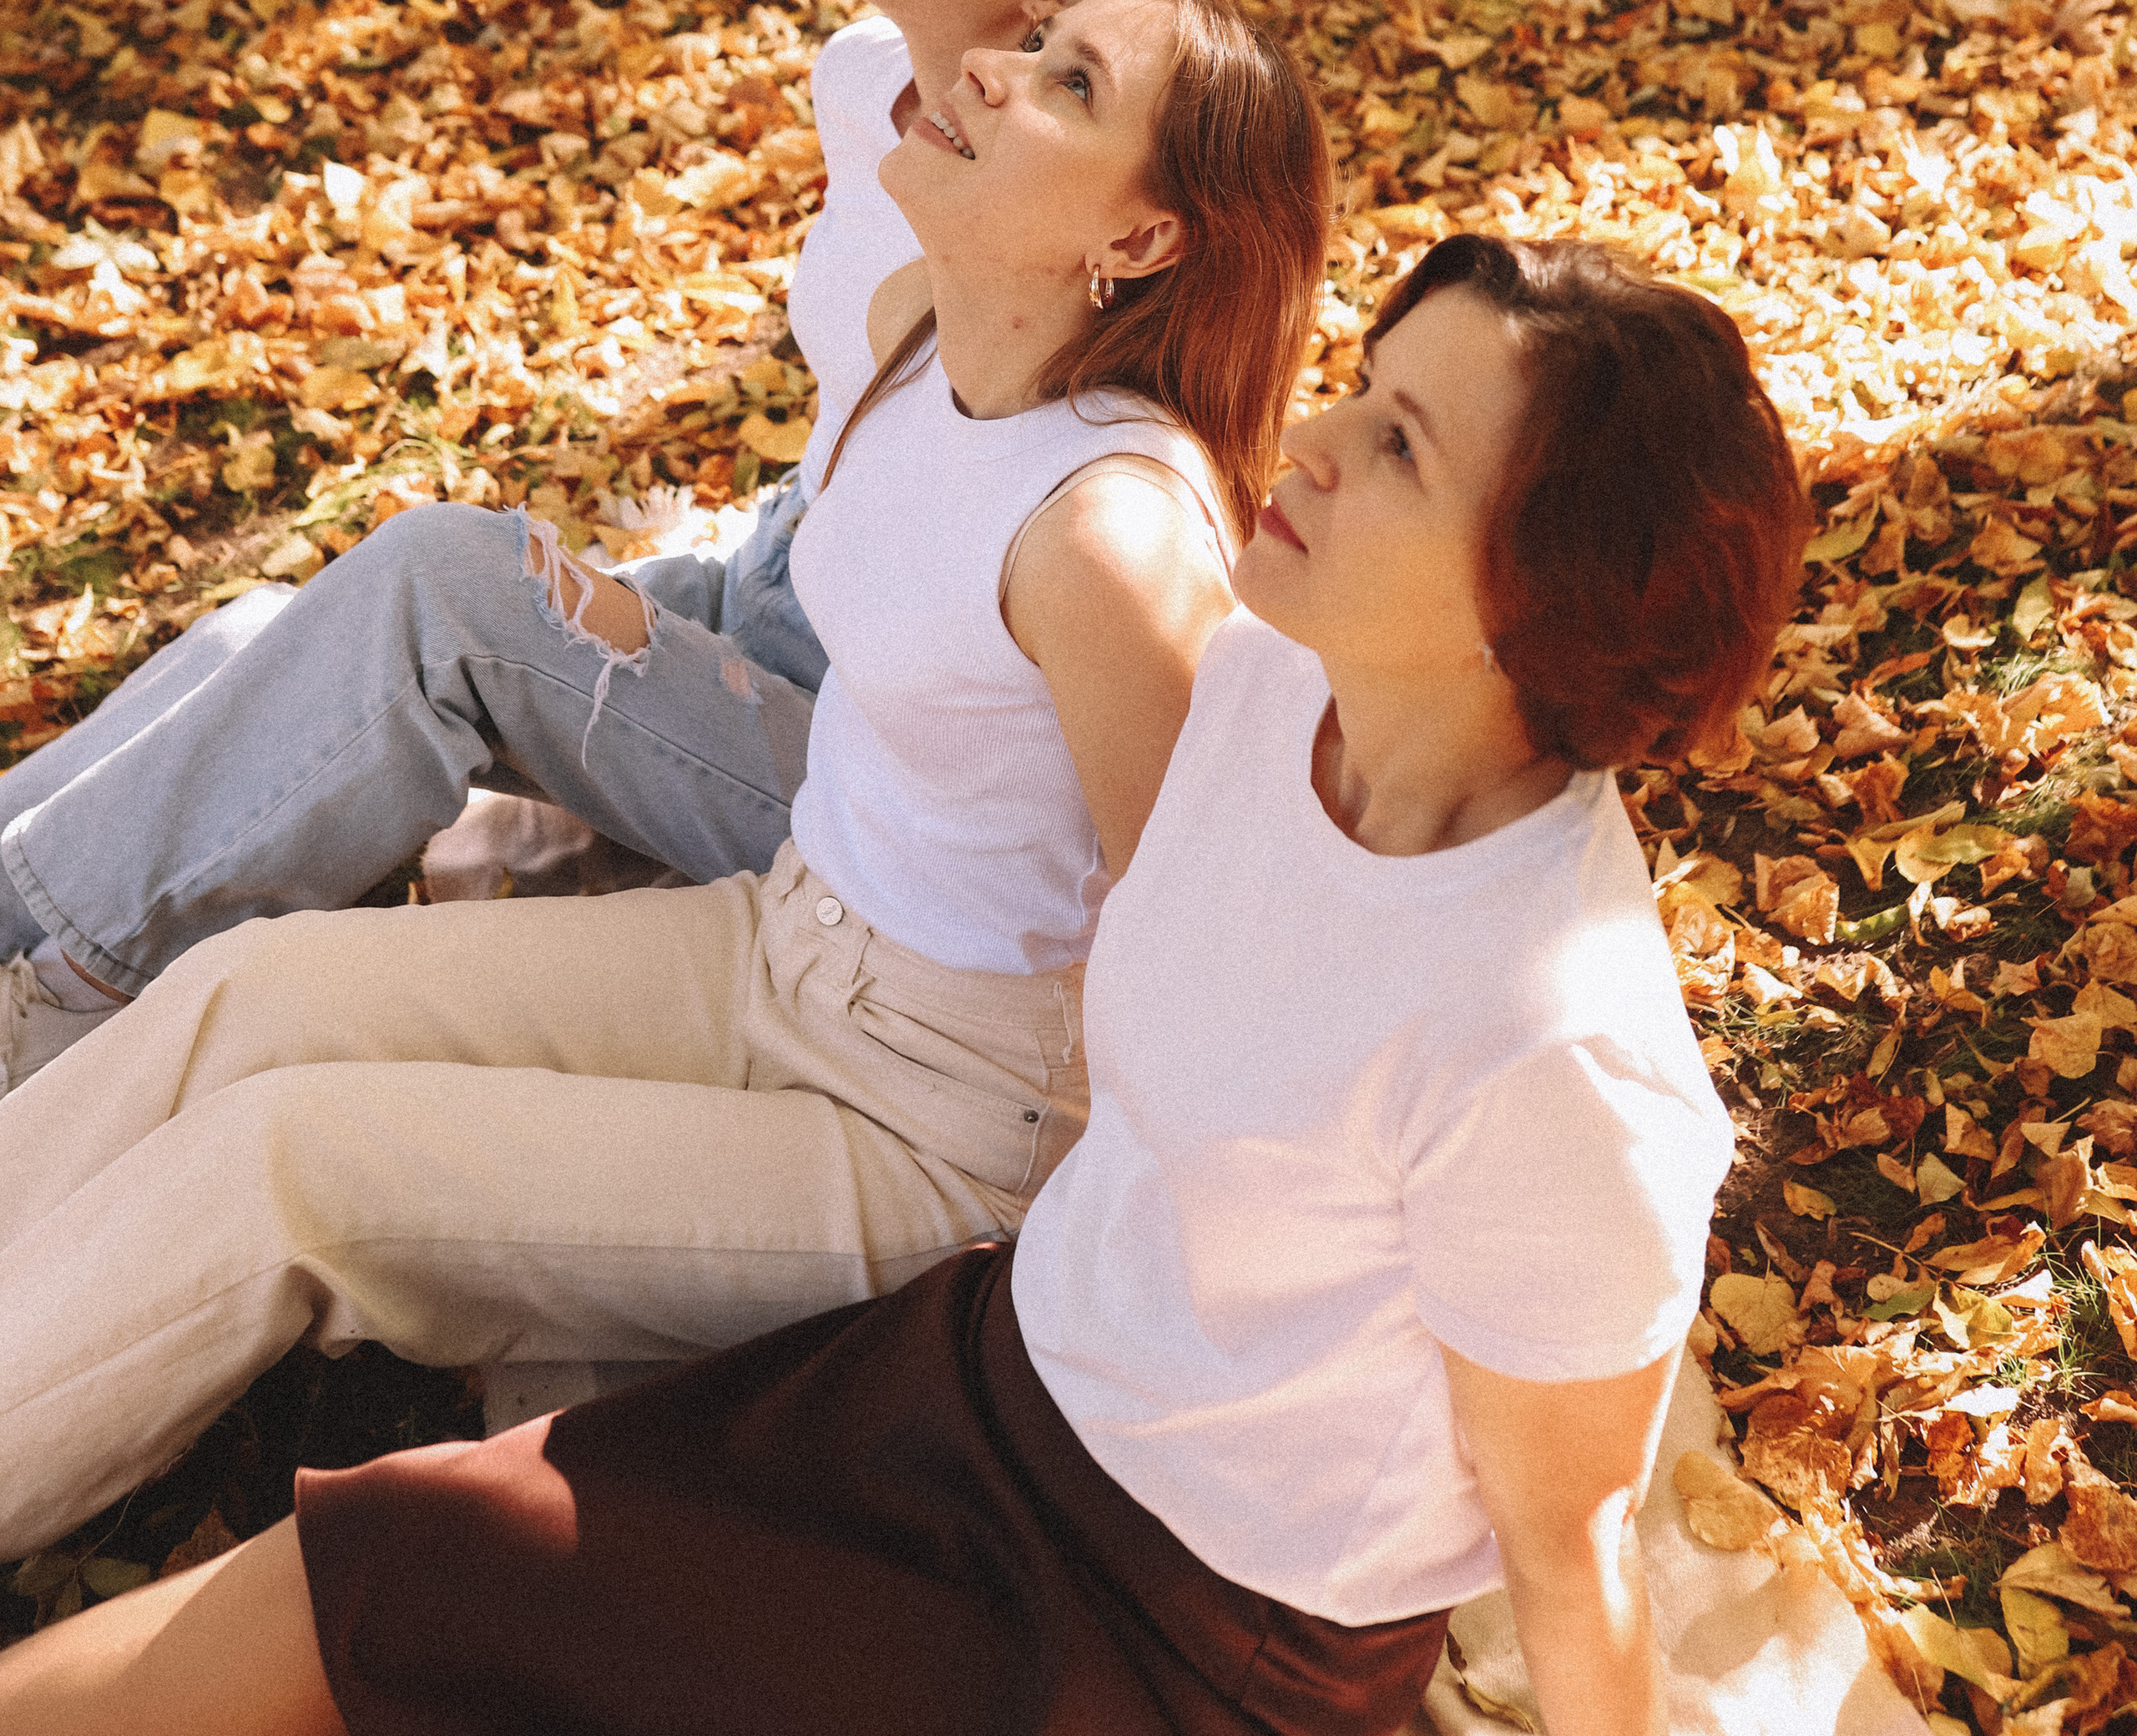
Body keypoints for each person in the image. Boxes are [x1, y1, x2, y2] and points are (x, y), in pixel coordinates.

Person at [0, 232, 1809, 1736]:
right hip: (971, 1385)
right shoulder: (1261, 700)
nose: (1316, 440)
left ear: (1540, 603)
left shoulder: (1553, 1043)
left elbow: (1563, 1550)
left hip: (1173, 1631)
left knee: (414, 1596)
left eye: (1403, 446)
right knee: (385, 1558)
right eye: (1361, 382)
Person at [0, 0, 1331, 1560]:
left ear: (1142, 241)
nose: (986, 71)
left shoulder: (1111, 540)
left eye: (1068, 85)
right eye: (1031, 43)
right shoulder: (921, 337)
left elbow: (1217, 958)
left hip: (942, 1134)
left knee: (293, 1164)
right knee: (257, 992)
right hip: (775, 940)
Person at [0, 0, 1225, 1083]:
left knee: (438, 594)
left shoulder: (1051, 268)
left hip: (868, 747)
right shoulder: (865, 79)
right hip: (774, 562)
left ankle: (57, 988)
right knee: (267, 634)